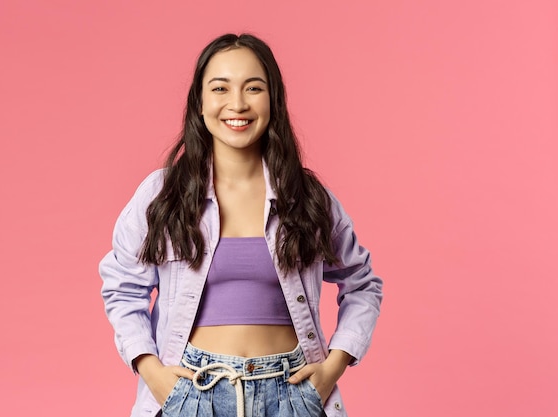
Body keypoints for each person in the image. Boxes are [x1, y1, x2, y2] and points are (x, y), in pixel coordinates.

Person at [99, 33, 383, 417]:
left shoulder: (306, 195)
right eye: (220, 88)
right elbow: (122, 286)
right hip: (193, 394)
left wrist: (333, 367)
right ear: (200, 103)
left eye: (253, 88)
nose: (237, 104)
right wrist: (151, 370)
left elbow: (362, 283)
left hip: (292, 394)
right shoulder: (162, 193)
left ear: (273, 101)